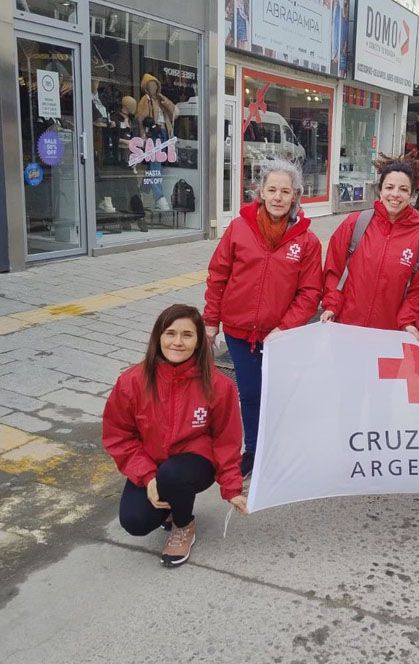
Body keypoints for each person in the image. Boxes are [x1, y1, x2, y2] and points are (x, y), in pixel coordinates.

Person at [102, 304, 247, 568]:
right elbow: (119, 436)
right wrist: (147, 476)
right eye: (170, 333)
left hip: (194, 464)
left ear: (199, 341)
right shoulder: (132, 381)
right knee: (135, 521)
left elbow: (227, 440)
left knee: (173, 475)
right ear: (158, 337)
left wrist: (232, 488)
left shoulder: (218, 385)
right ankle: (170, 503)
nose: (177, 342)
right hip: (152, 463)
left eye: (187, 335)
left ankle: (183, 524)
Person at [204, 159, 323, 477]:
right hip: (239, 331)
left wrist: (285, 327)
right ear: (261, 192)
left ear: (296, 195)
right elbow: (218, 275)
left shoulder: (307, 241)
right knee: (250, 393)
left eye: (285, 191)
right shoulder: (239, 228)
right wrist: (211, 321)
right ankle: (254, 450)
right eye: (272, 190)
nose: (278, 197)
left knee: (279, 394)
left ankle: (279, 447)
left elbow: (310, 292)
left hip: (280, 337)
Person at [321, 160, 419, 338]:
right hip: (346, 327)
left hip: (389, 334)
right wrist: (332, 305)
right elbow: (334, 269)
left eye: (403, 189)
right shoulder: (355, 223)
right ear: (380, 190)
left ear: (411, 194)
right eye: (389, 187)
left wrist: (408, 320)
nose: (395, 194)